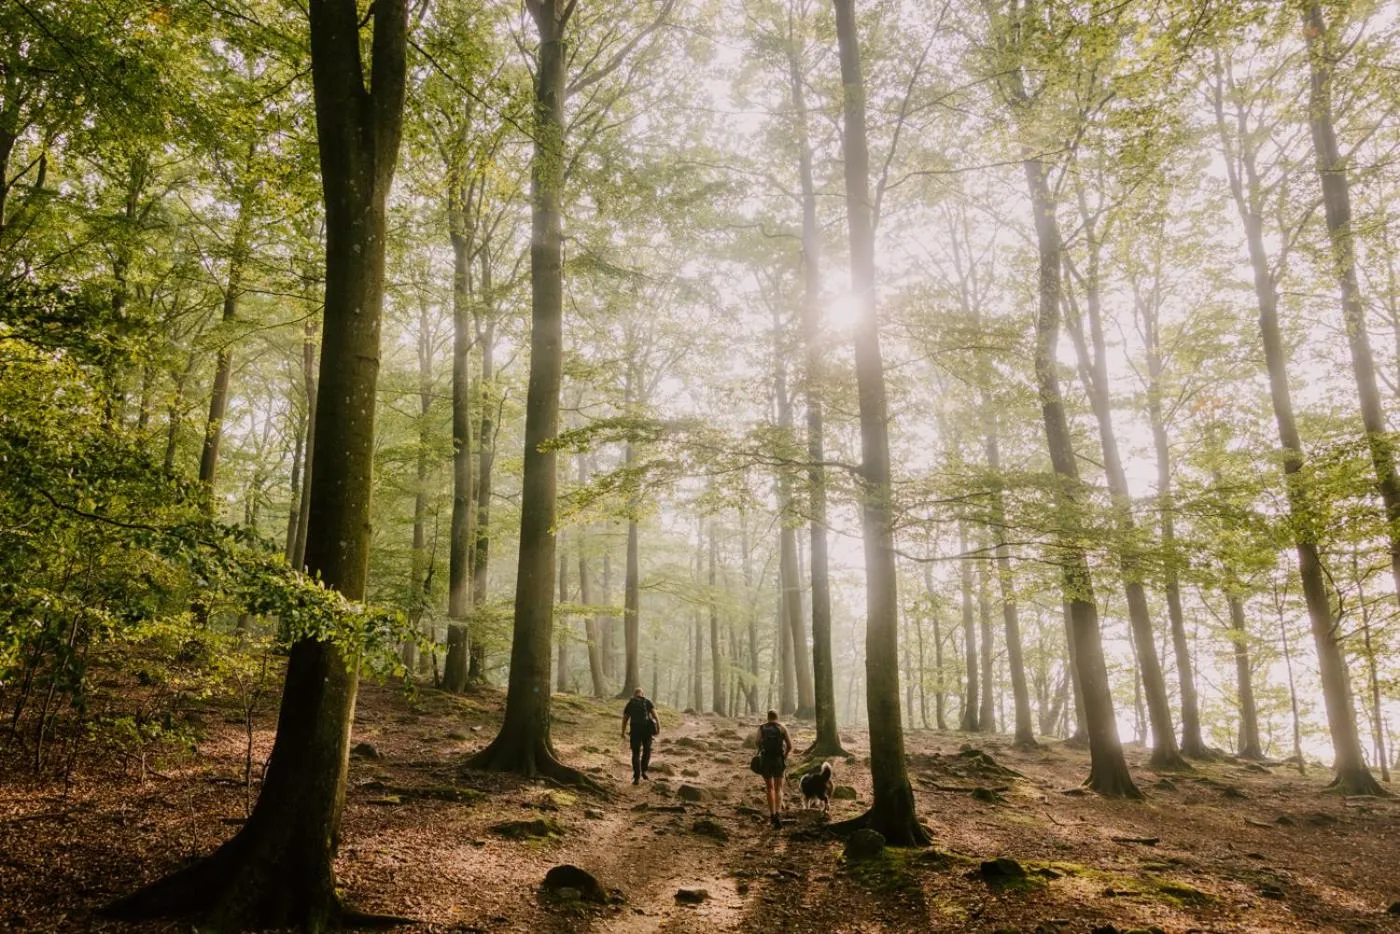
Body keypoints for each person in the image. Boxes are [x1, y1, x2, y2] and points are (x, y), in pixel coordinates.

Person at [755, 709, 792, 829]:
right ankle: (777, 813)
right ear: (777, 717)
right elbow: (790, 746)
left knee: (769, 787)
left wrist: (762, 749)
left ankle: (771, 814)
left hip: (766, 760)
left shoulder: (762, 728)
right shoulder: (782, 728)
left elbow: (756, 742)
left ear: (768, 717)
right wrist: (785, 756)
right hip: (778, 760)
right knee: (779, 788)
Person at [621, 687, 659, 785]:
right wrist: (658, 727)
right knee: (647, 750)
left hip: (635, 731)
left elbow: (625, 719)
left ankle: (636, 777)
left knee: (636, 753)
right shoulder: (647, 702)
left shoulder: (630, 703)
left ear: (634, 694)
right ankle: (644, 771)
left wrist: (622, 732)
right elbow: (655, 716)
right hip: (647, 731)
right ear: (642, 694)